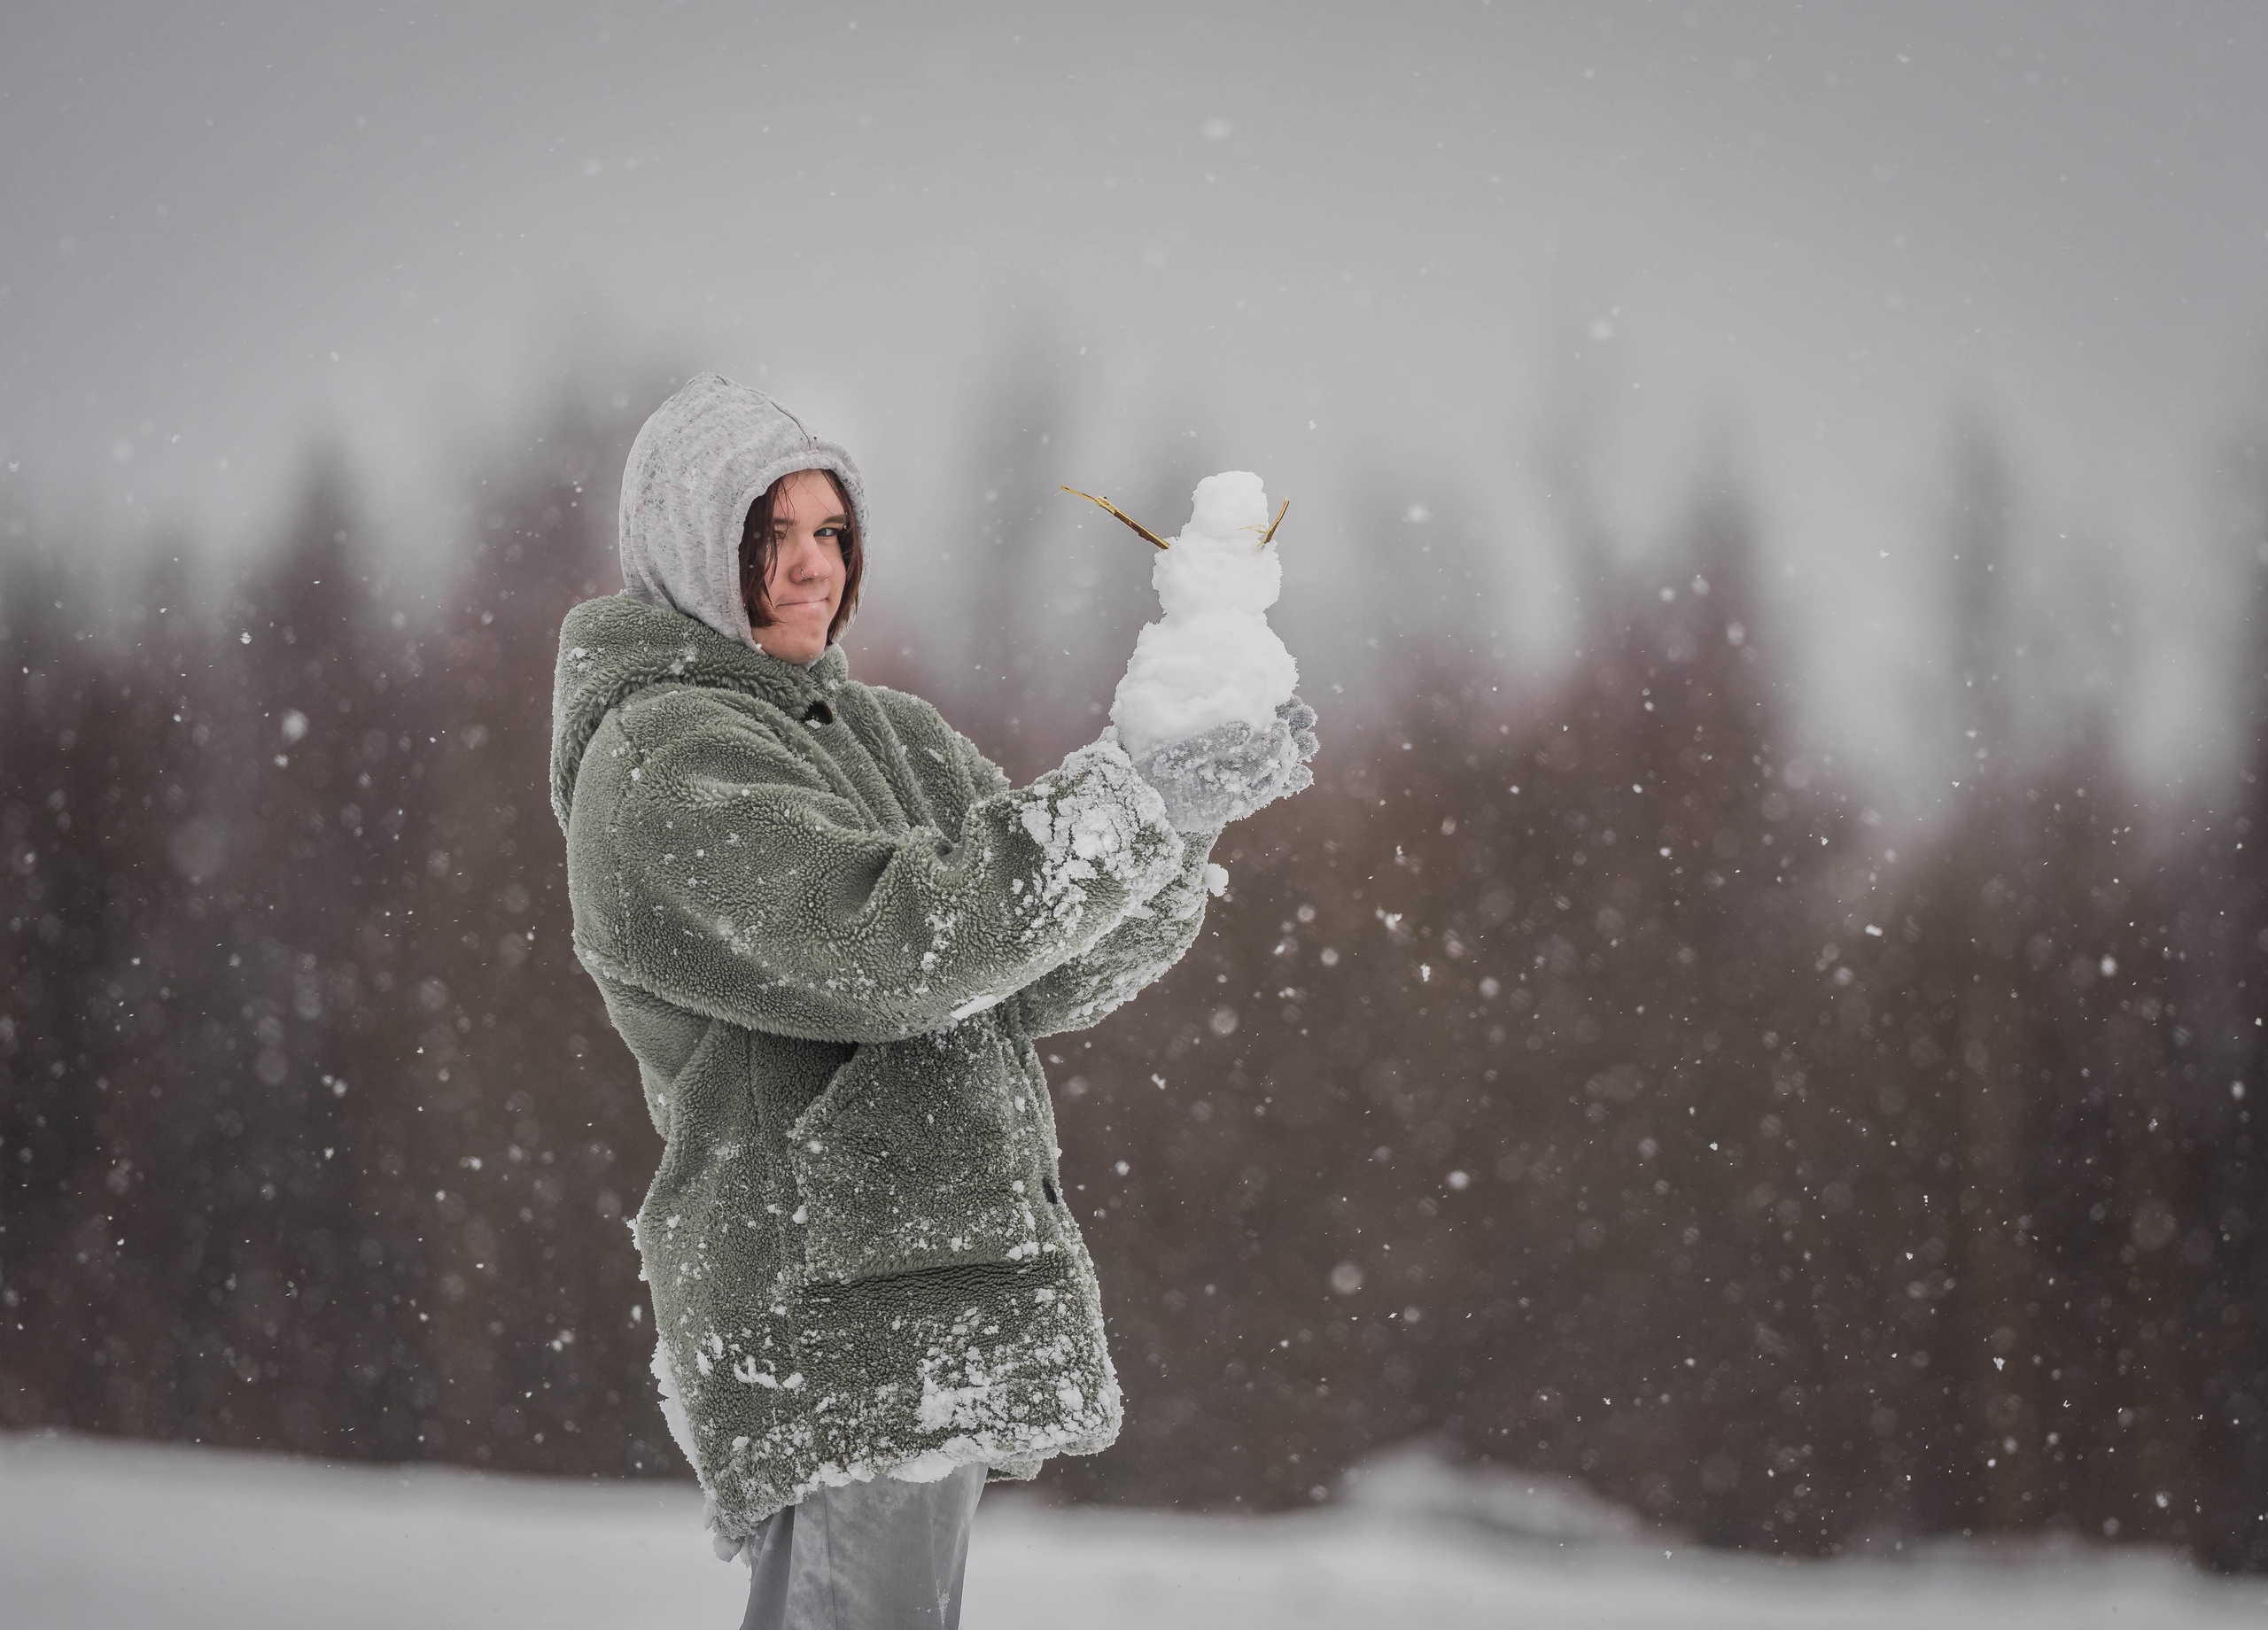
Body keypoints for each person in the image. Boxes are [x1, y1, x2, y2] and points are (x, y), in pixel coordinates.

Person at [548, 374, 1317, 1629]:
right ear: (692, 544)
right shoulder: (662, 755)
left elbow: (1046, 969)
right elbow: (894, 949)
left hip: (918, 1273)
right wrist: (1130, 799)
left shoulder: (884, 732)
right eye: (771, 536)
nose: (813, 569)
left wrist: (1182, 823)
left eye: (831, 533)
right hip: (827, 1289)